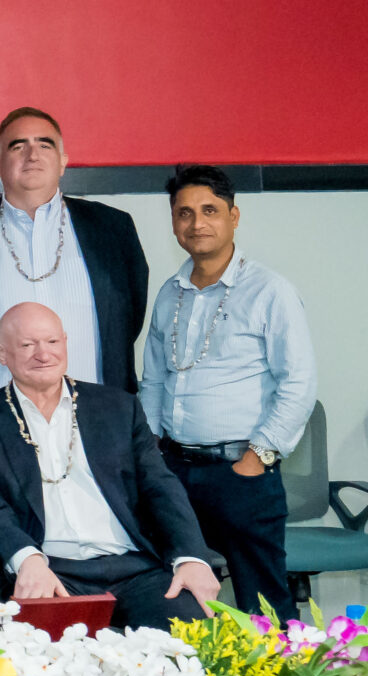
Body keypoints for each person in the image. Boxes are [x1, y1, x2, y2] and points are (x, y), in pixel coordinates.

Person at [0, 304, 220, 629]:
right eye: (27, 345)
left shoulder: (118, 407)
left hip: (135, 567)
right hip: (51, 569)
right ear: (1, 353)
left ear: (65, 343)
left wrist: (191, 557)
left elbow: (160, 486)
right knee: (39, 644)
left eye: (52, 342)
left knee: (194, 633)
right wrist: (27, 559)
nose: (43, 354)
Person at [141, 164, 316, 615]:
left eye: (209, 210)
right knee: (179, 599)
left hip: (240, 473)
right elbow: (154, 382)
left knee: (264, 607)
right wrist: (151, 455)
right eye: (184, 213)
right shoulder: (169, 294)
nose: (196, 223)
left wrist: (256, 460)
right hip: (173, 473)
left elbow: (298, 384)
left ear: (233, 217)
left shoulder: (269, 291)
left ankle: (279, 666)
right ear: (173, 222)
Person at [0, 107, 149, 445]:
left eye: (45, 144)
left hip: (98, 424)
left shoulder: (112, 227)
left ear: (63, 161)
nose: (32, 155)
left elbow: (127, 318)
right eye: (18, 145)